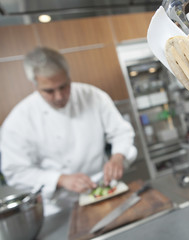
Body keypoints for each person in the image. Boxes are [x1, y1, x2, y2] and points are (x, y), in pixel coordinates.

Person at [0, 47, 137, 215]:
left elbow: (121, 132)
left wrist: (118, 156)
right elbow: (15, 172)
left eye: (64, 86)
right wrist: (59, 179)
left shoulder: (93, 96)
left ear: (68, 76)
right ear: (35, 85)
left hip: (103, 190)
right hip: (59, 207)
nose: (59, 96)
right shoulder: (18, 121)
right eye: (49, 91)